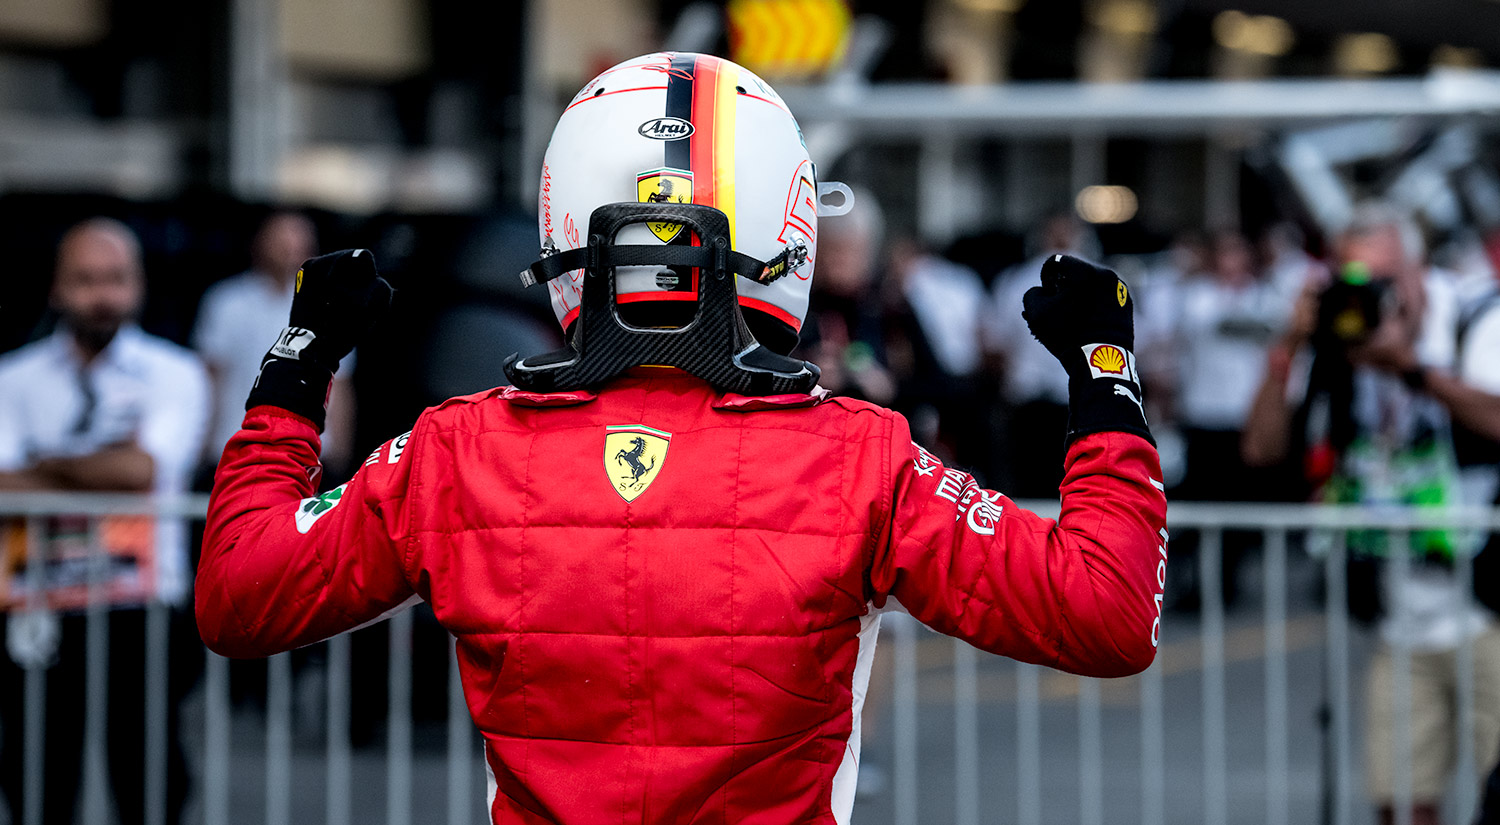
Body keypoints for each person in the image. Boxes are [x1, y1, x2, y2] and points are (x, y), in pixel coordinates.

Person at [195, 52, 1167, 825]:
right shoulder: (855, 458)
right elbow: (1106, 612)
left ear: (562, 226)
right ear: (788, 226)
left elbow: (242, 595)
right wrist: (1104, 377)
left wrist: (297, 366)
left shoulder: (458, 451)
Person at [1243, 202, 1500, 825]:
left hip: (1490, 608)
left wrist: (1413, 369)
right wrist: (1291, 344)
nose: (1366, 296)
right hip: (1398, 618)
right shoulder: (1337, 343)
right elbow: (1261, 448)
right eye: (1349, 280)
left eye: (1380, 279)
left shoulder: (1477, 318)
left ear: (1416, 270)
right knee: (1401, 803)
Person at [0, 218, 208, 825]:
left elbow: (142, 473)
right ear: (58, 289)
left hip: (143, 604)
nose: (102, 295)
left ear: (138, 285)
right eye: (86, 280)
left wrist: (40, 466)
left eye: (115, 279)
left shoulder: (176, 373)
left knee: (147, 778)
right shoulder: (14, 378)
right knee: (37, 777)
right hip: (39, 603)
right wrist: (105, 467)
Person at [193, 211, 356, 481]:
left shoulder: (329, 306)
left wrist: (341, 453)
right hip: (237, 449)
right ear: (259, 242)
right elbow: (209, 378)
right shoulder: (226, 302)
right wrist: (201, 447)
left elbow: (340, 382)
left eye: (299, 238)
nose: (290, 246)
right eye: (282, 237)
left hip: (308, 454)